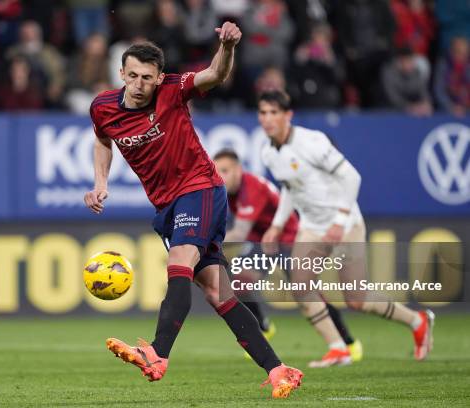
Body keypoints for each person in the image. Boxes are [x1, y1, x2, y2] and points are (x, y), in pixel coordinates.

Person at [84, 24, 303, 399]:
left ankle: (157, 354)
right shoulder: (103, 107)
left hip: (200, 188)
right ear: (121, 73)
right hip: (166, 204)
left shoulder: (173, 89)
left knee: (179, 263)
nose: (139, 84)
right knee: (220, 294)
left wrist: (226, 46)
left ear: (159, 78)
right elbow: (103, 140)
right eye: (132, 75)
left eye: (147, 78)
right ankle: (280, 369)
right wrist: (100, 182)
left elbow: (215, 73)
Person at [258, 89, 434, 365]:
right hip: (313, 227)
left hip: (346, 223)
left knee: (356, 297)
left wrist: (339, 223)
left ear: (287, 115)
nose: (267, 119)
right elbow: (290, 187)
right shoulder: (268, 152)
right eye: (263, 112)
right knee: (301, 285)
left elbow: (352, 177)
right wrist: (277, 225)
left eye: (274, 112)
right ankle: (338, 347)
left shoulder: (312, 142)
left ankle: (417, 321)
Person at [213, 148, 363, 365]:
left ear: (238, 170)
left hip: (288, 240)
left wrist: (204, 241)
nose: (221, 176)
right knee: (240, 283)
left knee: (307, 294)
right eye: (217, 172)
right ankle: (263, 327)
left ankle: (348, 342)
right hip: (262, 241)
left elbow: (240, 233)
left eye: (225, 170)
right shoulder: (227, 192)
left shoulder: (252, 187)